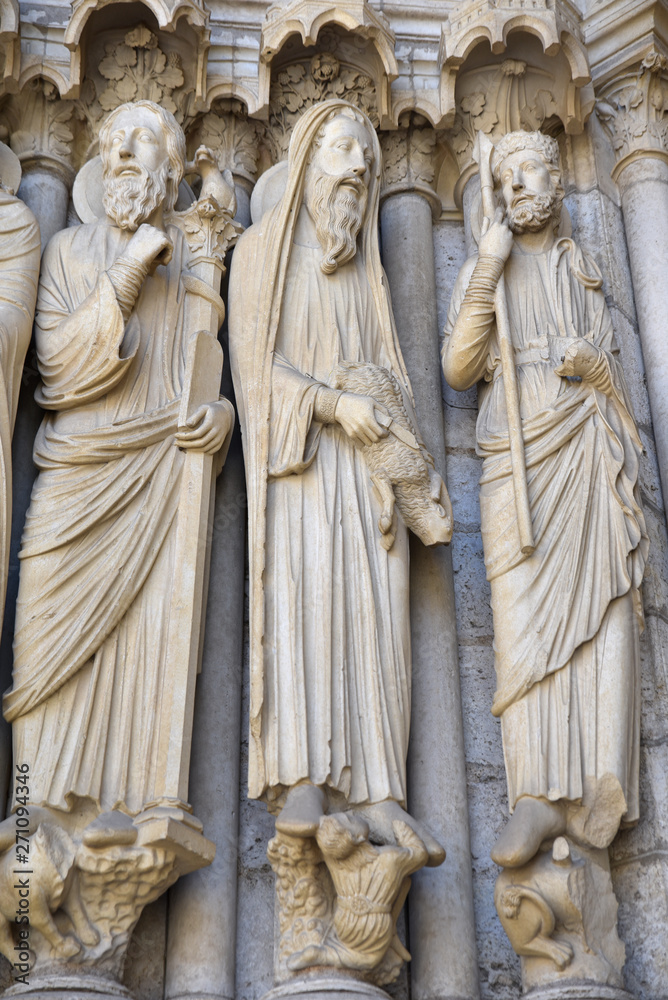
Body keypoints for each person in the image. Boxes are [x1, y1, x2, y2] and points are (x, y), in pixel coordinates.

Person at [2, 100, 233, 848]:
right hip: (77, 473)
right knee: (42, 659)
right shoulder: (67, 250)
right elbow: (58, 367)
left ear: (170, 174)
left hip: (158, 483)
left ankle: (125, 809)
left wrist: (221, 424)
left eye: (148, 143)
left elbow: (202, 380)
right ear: (99, 163)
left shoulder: (194, 272)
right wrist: (128, 275)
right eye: (118, 142)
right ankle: (35, 817)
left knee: (145, 647)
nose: (129, 153)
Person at [229, 99, 448, 863]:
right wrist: (331, 405)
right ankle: (304, 778)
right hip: (302, 477)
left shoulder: (370, 280)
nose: (358, 168)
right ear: (305, 160)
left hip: (368, 485)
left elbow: (392, 379)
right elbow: (256, 376)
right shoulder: (262, 254)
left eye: (367, 157)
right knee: (306, 609)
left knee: (378, 624)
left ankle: (381, 789)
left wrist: (401, 454)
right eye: (343, 151)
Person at [442, 130, 648, 868]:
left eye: (534, 168)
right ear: (496, 192)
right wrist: (486, 266)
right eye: (510, 173)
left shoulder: (582, 269)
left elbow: (620, 385)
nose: (525, 183)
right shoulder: (489, 268)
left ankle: (596, 780)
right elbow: (459, 366)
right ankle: (533, 792)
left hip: (583, 449)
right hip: (517, 456)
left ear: (559, 179)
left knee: (600, 609)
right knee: (523, 622)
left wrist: (595, 368)